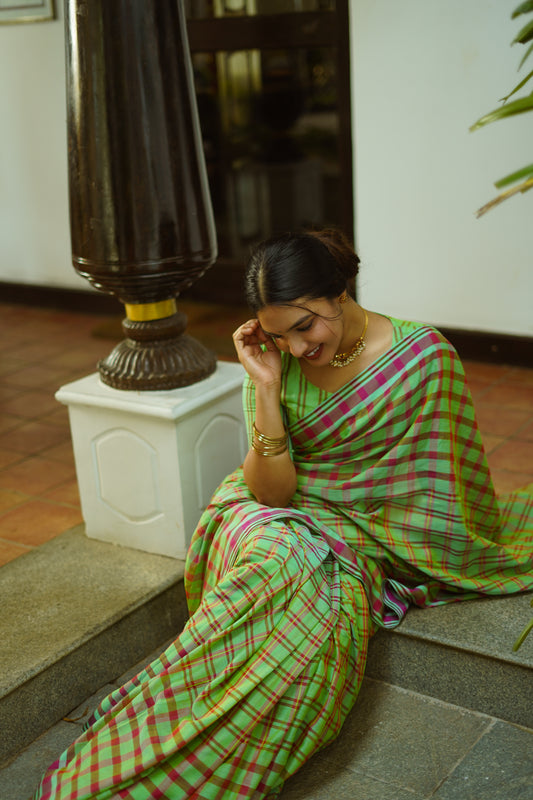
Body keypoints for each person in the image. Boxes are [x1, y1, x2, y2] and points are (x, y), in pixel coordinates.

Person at [34, 229, 532, 800]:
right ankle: (160, 727)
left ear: (340, 292)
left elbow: (440, 491)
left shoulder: (421, 359)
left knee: (291, 570)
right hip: (265, 510)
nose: (297, 348)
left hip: (363, 534)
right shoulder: (276, 362)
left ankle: (196, 749)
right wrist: (266, 389)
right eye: (278, 335)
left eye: (306, 326)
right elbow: (270, 493)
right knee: (281, 555)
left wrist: (359, 525)